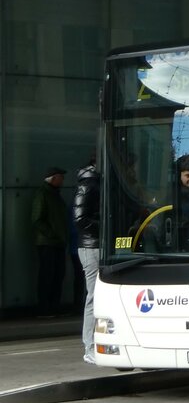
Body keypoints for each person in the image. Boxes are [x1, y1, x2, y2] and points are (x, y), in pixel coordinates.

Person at [72, 156, 100, 364]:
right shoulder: (89, 184)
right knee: (94, 295)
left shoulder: (96, 183)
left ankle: (94, 344)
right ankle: (89, 346)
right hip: (92, 246)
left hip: (97, 245)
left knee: (97, 295)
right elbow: (80, 219)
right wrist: (104, 227)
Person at [31, 166, 68, 317]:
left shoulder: (55, 194)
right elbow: (37, 219)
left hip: (57, 242)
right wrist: (52, 234)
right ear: (53, 178)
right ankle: (44, 308)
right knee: (47, 276)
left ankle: (54, 307)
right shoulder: (43, 194)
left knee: (58, 275)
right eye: (61, 177)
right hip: (47, 243)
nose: (63, 180)